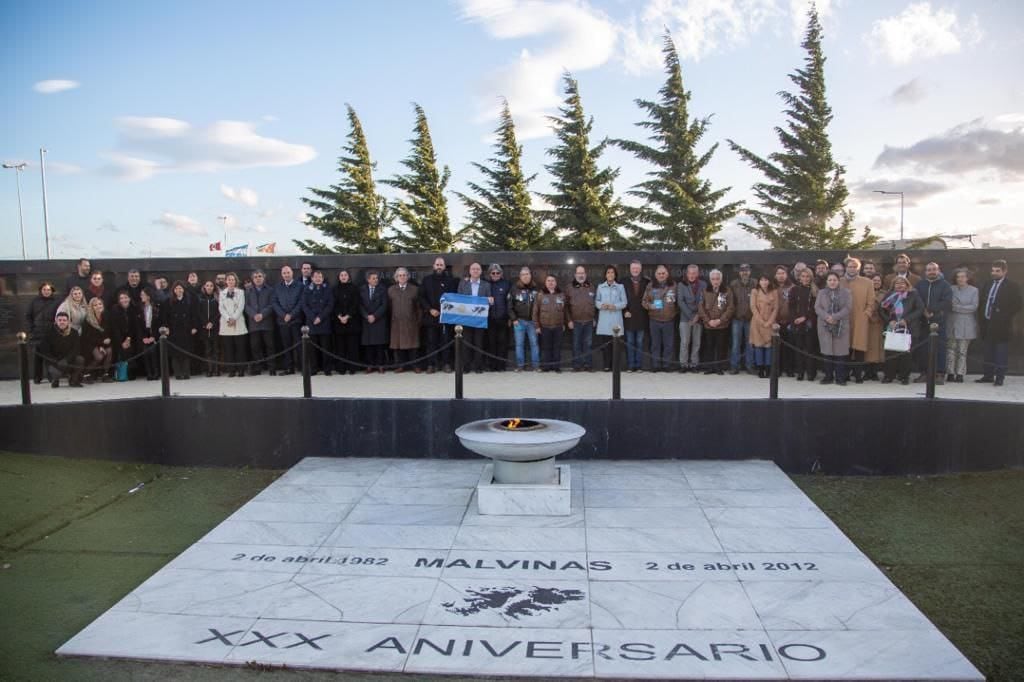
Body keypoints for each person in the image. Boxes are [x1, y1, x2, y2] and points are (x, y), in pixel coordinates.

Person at [977, 259, 1021, 387]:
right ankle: (988, 375)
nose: (994, 273)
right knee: (988, 352)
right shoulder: (988, 284)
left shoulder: (1012, 286)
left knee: (1000, 353)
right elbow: (983, 301)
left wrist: (1003, 314)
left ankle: (999, 378)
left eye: (997, 271)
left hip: (1002, 327)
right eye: (993, 271)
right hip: (987, 324)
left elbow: (1017, 305)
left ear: (1005, 271)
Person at [879, 276, 923, 384]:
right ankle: (889, 376)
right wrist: (889, 320)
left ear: (907, 285)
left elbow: (920, 309)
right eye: (897, 283)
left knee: (906, 355)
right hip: (893, 328)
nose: (899, 285)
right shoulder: (889, 296)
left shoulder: (913, 295)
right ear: (893, 285)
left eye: (902, 283)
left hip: (908, 328)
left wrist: (906, 320)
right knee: (890, 353)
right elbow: (881, 309)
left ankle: (904, 377)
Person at [914, 262, 952, 385]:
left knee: (940, 348)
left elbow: (947, 302)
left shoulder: (945, 285)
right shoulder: (920, 284)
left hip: (939, 321)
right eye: (929, 270)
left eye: (934, 270)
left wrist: (932, 310)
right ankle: (924, 373)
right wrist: (924, 311)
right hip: (923, 321)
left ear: (938, 270)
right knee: (923, 349)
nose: (931, 272)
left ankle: (940, 374)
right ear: (925, 272)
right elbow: (917, 298)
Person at [419, 256, 459, 373]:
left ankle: (446, 363)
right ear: (433, 266)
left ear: (445, 267)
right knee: (431, 342)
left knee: (446, 341)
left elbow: (454, 297)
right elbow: (421, 297)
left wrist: (446, 310)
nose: (439, 267)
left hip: (446, 317)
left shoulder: (451, 281)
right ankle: (431, 364)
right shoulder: (426, 280)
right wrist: (430, 309)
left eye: (441, 265)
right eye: (437, 265)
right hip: (431, 317)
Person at [840, 257, 875, 384]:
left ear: (859, 268)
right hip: (844, 319)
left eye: (855, 266)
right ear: (846, 268)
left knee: (859, 348)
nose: (852, 269)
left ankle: (858, 375)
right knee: (845, 347)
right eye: (850, 266)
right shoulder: (840, 281)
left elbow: (871, 302)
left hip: (860, 319)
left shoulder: (867, 282)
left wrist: (866, 314)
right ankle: (845, 374)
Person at [815, 272, 852, 386]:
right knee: (827, 352)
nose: (832, 282)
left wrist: (835, 317)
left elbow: (848, 308)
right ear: (827, 282)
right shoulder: (821, 293)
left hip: (841, 325)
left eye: (834, 280)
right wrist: (827, 317)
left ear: (838, 281)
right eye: (830, 280)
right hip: (825, 325)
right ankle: (828, 376)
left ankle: (840, 378)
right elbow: (817, 307)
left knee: (840, 353)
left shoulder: (846, 292)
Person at [698, 269, 734, 374]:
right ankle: (709, 367)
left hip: (722, 325)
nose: (715, 281)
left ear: (721, 280)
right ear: (710, 280)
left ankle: (719, 367)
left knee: (720, 347)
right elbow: (700, 307)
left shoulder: (727, 291)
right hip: (708, 325)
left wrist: (720, 320)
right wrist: (708, 320)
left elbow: (731, 307)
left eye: (717, 279)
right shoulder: (705, 290)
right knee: (709, 346)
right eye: (713, 279)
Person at [456, 263, 491, 373]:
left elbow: (488, 301)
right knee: (466, 343)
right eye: (473, 269)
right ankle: (466, 366)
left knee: (479, 343)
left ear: (481, 271)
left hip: (480, 319)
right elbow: (459, 300)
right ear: (470, 271)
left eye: (477, 269)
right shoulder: (463, 284)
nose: (475, 271)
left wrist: (490, 301)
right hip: (466, 318)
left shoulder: (486, 285)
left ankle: (478, 366)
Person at [642, 265, 677, 372]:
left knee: (668, 344)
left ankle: (667, 365)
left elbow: (679, 301)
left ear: (667, 274)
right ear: (656, 275)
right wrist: (650, 306)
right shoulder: (650, 286)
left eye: (663, 273)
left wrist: (675, 312)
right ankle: (655, 365)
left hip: (669, 320)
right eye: (659, 273)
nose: (661, 275)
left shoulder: (674, 285)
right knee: (655, 344)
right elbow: (644, 301)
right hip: (654, 320)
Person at [946, 268, 978, 383]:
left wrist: (958, 307)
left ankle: (960, 374)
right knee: (950, 350)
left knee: (962, 351)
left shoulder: (974, 290)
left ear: (967, 278)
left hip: (966, 324)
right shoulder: (951, 289)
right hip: (952, 323)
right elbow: (949, 305)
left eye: (963, 276)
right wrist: (963, 307)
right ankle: (950, 373)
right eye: (958, 276)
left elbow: (973, 307)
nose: (960, 279)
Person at [38, 312, 85, 388]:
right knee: (56, 372)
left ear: (68, 321)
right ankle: (55, 380)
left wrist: (66, 360)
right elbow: (45, 351)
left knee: (80, 359)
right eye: (60, 320)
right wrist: (55, 361)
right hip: (54, 361)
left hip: (68, 360)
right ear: (56, 321)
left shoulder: (74, 333)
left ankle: (73, 380)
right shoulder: (49, 332)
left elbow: (76, 349)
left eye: (64, 320)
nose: (62, 322)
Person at [389, 267, 422, 373]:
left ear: (408, 277)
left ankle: (415, 365)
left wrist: (418, 321)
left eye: (404, 275)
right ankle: (400, 366)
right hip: (396, 323)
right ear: (396, 277)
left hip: (411, 322)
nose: (402, 277)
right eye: (400, 275)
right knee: (398, 346)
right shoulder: (391, 290)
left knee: (413, 345)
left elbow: (419, 307)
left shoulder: (415, 289)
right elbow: (389, 307)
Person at [273, 265, 304, 375]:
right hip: (282, 321)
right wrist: (283, 315)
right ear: (282, 275)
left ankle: (302, 367)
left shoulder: (300, 286)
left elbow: (301, 302)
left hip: (296, 320)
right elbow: (275, 303)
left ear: (292, 273)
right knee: (286, 346)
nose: (286, 275)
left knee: (299, 345)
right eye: (284, 273)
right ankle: (289, 368)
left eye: (288, 272)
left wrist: (291, 314)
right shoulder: (278, 287)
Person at [302, 270, 335, 375]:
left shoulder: (327, 289)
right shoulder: (307, 289)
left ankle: (327, 369)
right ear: (312, 278)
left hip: (324, 322)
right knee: (312, 349)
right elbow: (304, 305)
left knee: (326, 348)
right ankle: (314, 368)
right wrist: (313, 317)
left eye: (320, 277)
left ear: (322, 278)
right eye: (315, 277)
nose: (318, 278)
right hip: (311, 323)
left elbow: (330, 305)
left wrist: (320, 317)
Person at [244, 269, 276, 376]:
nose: (258, 278)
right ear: (253, 279)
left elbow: (272, 305)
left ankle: (272, 368)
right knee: (255, 347)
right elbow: (246, 306)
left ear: (264, 277)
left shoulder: (270, 290)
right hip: (254, 324)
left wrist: (262, 314)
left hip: (267, 323)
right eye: (255, 277)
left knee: (270, 346)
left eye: (259, 276)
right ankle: (258, 368)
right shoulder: (248, 291)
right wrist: (254, 315)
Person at [509, 266, 541, 371]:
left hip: (533, 322)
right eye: (523, 274)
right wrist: (514, 319)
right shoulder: (514, 288)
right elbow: (509, 306)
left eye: (527, 274)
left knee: (534, 344)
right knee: (519, 344)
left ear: (530, 275)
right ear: (520, 276)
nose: (525, 276)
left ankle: (536, 366)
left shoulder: (537, 288)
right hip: (519, 321)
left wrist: (537, 321)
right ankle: (520, 366)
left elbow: (541, 306)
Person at [595, 265, 627, 372]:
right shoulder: (600, 287)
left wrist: (615, 306)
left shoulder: (620, 287)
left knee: (616, 345)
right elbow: (596, 301)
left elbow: (624, 302)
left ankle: (615, 366)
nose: (610, 274)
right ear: (605, 275)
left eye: (612, 272)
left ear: (615, 274)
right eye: (608, 272)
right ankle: (606, 365)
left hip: (615, 319)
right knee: (605, 345)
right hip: (604, 320)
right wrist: (601, 305)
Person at [26, 282, 58, 384]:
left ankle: (51, 376)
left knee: (50, 356)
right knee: (37, 356)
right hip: (37, 332)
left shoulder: (56, 302)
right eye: (44, 289)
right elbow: (28, 316)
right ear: (41, 290)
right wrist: (31, 329)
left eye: (48, 290)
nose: (46, 291)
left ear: (52, 291)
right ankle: (37, 377)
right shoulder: (34, 301)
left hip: (50, 332)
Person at [676, 264, 706, 373]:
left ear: (697, 274)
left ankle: (694, 364)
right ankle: (683, 364)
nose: (692, 275)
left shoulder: (703, 284)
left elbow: (703, 301)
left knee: (696, 342)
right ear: (687, 274)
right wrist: (691, 316)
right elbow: (680, 301)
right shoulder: (681, 285)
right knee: (684, 342)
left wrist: (697, 315)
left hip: (699, 318)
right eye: (690, 273)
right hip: (685, 318)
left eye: (694, 273)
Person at [533, 274, 567, 372]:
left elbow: (565, 310)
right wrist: (537, 326)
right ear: (545, 283)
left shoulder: (561, 295)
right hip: (544, 326)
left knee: (557, 347)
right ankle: (546, 367)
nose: (551, 282)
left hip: (558, 326)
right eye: (548, 280)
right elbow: (535, 311)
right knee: (545, 348)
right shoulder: (540, 295)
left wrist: (564, 323)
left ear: (556, 283)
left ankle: (556, 367)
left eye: (553, 281)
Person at [165, 282, 198, 380]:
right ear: (173, 290)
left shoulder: (189, 301)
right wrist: (166, 327)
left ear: (183, 289)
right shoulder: (168, 301)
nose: (178, 290)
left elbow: (194, 315)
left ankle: (186, 372)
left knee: (186, 353)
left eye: (180, 288)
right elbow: (165, 316)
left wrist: (194, 327)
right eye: (176, 289)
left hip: (186, 329)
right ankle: (178, 373)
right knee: (175, 353)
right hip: (174, 330)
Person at [789, 269, 817, 381]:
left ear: (811, 278)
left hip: (810, 323)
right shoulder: (794, 289)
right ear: (799, 278)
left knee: (810, 349)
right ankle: (800, 372)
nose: (805, 278)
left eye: (807, 276)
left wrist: (804, 317)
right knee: (799, 349)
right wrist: (795, 319)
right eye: (803, 276)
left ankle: (811, 373)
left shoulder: (814, 290)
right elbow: (791, 306)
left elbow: (815, 307)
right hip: (797, 323)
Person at [566, 265, 596, 371]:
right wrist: (569, 320)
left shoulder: (591, 286)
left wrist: (594, 318)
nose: (581, 275)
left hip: (589, 321)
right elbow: (566, 306)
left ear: (586, 274)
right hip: (575, 322)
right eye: (579, 273)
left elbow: (595, 303)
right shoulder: (569, 287)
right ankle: (577, 365)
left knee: (588, 344)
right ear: (575, 275)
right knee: (576, 345)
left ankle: (588, 365)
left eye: (582, 273)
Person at [332, 269, 362, 375]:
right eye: (341, 275)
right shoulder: (335, 289)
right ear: (339, 277)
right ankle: (341, 368)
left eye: (345, 275)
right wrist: (340, 316)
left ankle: (352, 368)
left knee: (352, 347)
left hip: (352, 322)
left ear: (349, 277)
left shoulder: (354, 288)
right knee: (340, 347)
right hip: (339, 323)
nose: (343, 277)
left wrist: (348, 316)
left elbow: (356, 304)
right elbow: (334, 305)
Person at [219, 272, 248, 377]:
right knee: (229, 349)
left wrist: (234, 318)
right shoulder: (222, 293)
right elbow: (221, 308)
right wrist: (228, 318)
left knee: (240, 348)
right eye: (229, 279)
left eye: (233, 279)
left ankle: (241, 370)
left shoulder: (240, 292)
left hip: (238, 322)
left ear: (235, 281)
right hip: (226, 324)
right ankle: (231, 370)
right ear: (226, 281)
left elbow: (241, 306)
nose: (231, 281)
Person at [622, 260, 650, 372]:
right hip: (629, 317)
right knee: (629, 342)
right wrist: (624, 311)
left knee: (639, 343)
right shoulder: (623, 282)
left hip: (642, 318)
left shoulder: (647, 282)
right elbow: (620, 297)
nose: (635, 270)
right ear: (630, 269)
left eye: (637, 268)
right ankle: (630, 365)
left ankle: (638, 366)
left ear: (640, 269)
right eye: (633, 268)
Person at [728, 264, 756, 374]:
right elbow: (730, 301)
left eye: (747, 270)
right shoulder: (733, 284)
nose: (745, 272)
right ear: (739, 272)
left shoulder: (755, 283)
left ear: (750, 271)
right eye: (742, 270)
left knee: (750, 344)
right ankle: (735, 366)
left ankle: (750, 365)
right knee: (736, 344)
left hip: (751, 319)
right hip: (737, 319)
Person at [749, 274, 778, 379]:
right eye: (762, 280)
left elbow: (776, 308)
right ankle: (760, 369)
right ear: (759, 281)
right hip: (757, 322)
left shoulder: (774, 292)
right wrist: (761, 321)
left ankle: (768, 369)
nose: (764, 282)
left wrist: (769, 322)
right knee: (758, 346)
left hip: (770, 322)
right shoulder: (755, 291)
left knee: (769, 347)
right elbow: (753, 307)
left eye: (766, 280)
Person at [360, 271, 389, 373]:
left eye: (377, 278)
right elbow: (360, 305)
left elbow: (384, 305)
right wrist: (366, 316)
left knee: (379, 344)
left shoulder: (382, 289)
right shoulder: (362, 289)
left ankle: (380, 365)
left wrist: (375, 316)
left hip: (379, 320)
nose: (376, 280)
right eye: (373, 278)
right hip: (367, 320)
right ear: (368, 279)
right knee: (368, 344)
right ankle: (370, 365)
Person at [80, 297, 114, 382]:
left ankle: (105, 374)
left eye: (100, 304)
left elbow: (108, 331)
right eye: (95, 305)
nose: (98, 306)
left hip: (103, 342)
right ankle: (85, 373)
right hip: (90, 343)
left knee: (109, 351)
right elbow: (88, 337)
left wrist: (104, 343)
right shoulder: (88, 319)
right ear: (91, 307)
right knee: (99, 356)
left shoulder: (106, 316)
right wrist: (100, 344)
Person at [486, 264, 512, 371]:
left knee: (502, 343)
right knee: (491, 343)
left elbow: (510, 302)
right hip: (490, 319)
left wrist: (510, 317)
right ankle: (492, 366)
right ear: (489, 274)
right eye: (493, 273)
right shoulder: (485, 284)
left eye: (498, 273)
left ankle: (501, 366)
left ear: (501, 274)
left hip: (503, 319)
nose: (495, 275)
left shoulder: (507, 284)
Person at [110, 291, 140, 379]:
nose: (124, 300)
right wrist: (121, 342)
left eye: (126, 298)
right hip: (118, 338)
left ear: (129, 299)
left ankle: (131, 373)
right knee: (121, 350)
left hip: (130, 337)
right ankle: (120, 374)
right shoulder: (115, 309)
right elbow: (115, 328)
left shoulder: (133, 309)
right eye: (122, 298)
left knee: (132, 349)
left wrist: (128, 339)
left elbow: (134, 326)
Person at [196, 281, 220, 377]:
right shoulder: (200, 299)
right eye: (207, 286)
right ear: (204, 287)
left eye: (211, 286)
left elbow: (219, 312)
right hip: (204, 328)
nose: (209, 287)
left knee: (216, 349)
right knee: (207, 350)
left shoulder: (217, 298)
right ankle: (209, 369)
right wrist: (205, 323)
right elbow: (199, 312)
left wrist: (212, 323)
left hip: (215, 328)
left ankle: (217, 369)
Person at [773, 266, 794, 376]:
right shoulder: (771, 288)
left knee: (789, 347)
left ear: (786, 275)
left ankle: (789, 368)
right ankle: (778, 369)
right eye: (778, 273)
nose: (781, 275)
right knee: (777, 348)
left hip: (790, 322)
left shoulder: (792, 287)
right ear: (775, 275)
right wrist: (774, 320)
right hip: (775, 322)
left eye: (783, 273)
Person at [865, 274, 885, 381]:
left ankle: (874, 372)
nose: (876, 282)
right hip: (867, 323)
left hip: (879, 324)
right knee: (867, 349)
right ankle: (867, 372)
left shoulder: (885, 294)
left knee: (877, 349)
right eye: (874, 280)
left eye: (878, 280)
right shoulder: (866, 292)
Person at [137, 288, 161, 380]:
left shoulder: (156, 307)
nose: (141, 297)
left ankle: (156, 373)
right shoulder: (140, 308)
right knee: (146, 352)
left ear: (148, 296)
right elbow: (138, 324)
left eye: (143, 295)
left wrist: (154, 336)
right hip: (144, 332)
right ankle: (149, 373)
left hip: (154, 332)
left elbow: (158, 322)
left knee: (154, 352)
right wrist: (143, 337)